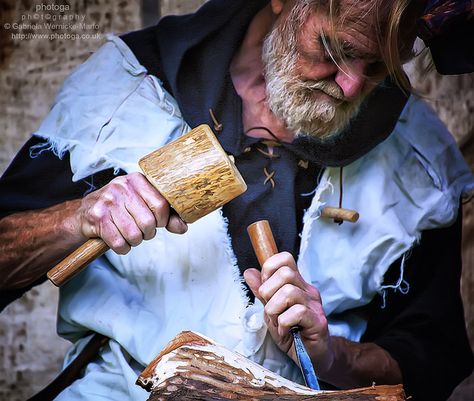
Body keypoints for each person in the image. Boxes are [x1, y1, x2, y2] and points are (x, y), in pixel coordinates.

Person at [0, 0, 473, 400]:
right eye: (335, 49)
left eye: (378, 67)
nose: (350, 86)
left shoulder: (419, 155)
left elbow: (429, 361)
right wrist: (77, 218)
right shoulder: (125, 88)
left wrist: (332, 355)